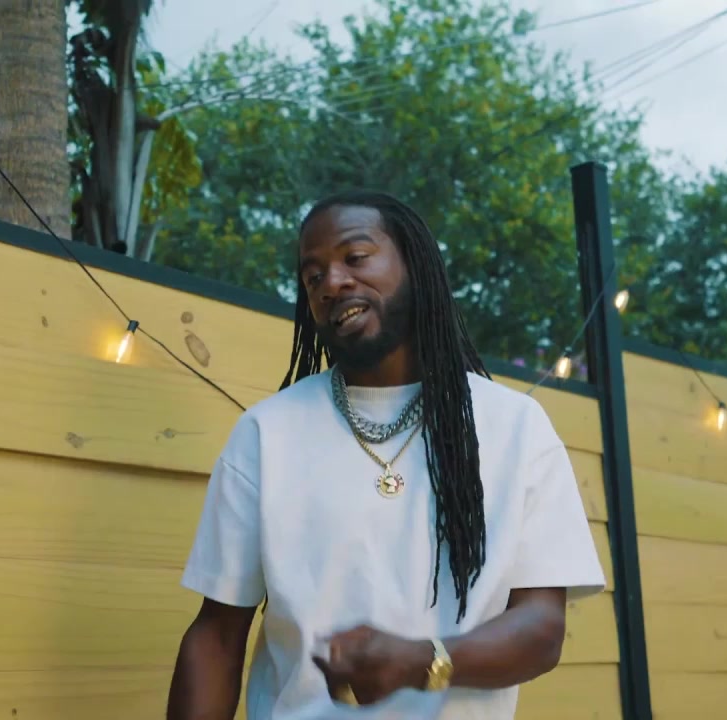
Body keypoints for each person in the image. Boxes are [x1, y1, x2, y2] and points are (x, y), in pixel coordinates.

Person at [165, 191, 606, 720]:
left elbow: (542, 629)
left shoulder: (515, 427)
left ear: (416, 266)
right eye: (312, 276)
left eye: (355, 257)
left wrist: (422, 662)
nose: (331, 283)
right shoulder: (267, 432)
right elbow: (216, 636)